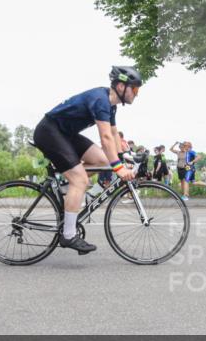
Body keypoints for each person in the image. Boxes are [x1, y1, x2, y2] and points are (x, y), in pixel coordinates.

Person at [33, 65, 142, 254]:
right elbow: (105, 138)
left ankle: (68, 185)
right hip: (49, 131)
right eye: (134, 89)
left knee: (102, 160)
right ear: (121, 86)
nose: (136, 94)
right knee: (81, 180)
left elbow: (114, 134)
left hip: (65, 134)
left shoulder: (111, 105)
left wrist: (124, 157)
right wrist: (119, 168)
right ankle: (68, 235)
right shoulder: (100, 100)